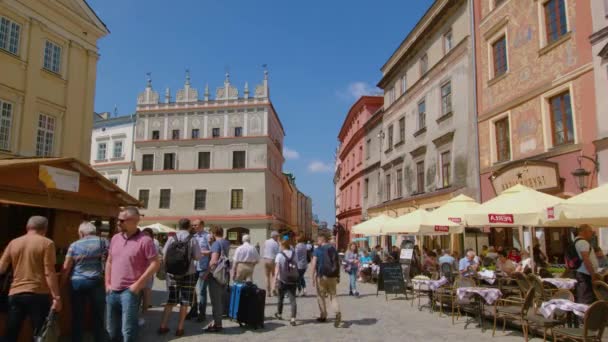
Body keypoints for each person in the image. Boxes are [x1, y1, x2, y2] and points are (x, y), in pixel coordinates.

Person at [0, 216, 61, 341]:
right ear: (45, 229)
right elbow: (49, 272)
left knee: (11, 332)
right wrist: (56, 297)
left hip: (15, 293)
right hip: (38, 293)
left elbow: (1, 268)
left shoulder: (14, 242)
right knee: (40, 334)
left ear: (27, 227)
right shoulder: (47, 243)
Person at [106, 207, 160, 342]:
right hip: (112, 290)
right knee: (111, 331)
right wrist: (107, 284)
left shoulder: (145, 240)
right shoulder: (115, 238)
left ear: (134, 221)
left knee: (128, 331)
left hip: (129, 292)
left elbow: (155, 263)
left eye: (121, 220)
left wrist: (137, 285)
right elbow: (109, 261)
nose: (118, 223)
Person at [62, 222, 108, 342]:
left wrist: (62, 283)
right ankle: (99, 338)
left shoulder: (74, 245)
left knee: (78, 315)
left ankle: (77, 339)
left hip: (77, 282)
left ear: (81, 233)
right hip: (96, 281)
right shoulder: (103, 242)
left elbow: (66, 266)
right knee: (98, 315)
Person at [158, 218, 201, 337]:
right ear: (189, 226)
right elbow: (197, 256)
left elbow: (164, 253)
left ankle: (163, 326)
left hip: (172, 273)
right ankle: (180, 328)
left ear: (179, 226)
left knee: (171, 300)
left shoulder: (172, 238)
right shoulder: (192, 239)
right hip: (188, 273)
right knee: (185, 301)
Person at [311, 230, 341, 328]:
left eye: (317, 239)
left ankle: (323, 315)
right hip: (333, 276)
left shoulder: (318, 250)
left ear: (321, 239)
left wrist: (312, 277)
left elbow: (314, 264)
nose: (317, 241)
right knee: (333, 296)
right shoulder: (333, 249)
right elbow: (337, 263)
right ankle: (337, 312)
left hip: (322, 276)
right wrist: (338, 276)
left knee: (320, 296)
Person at [205, 225, 231, 333]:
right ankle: (218, 322)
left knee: (215, 301)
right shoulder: (226, 242)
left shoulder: (216, 244)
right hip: (224, 274)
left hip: (216, 275)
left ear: (213, 233)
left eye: (210, 233)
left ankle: (217, 325)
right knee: (220, 300)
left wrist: (206, 273)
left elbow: (214, 261)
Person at [188, 219, 211, 322]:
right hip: (193, 267)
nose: (193, 227)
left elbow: (213, 251)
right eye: (192, 225)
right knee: (191, 290)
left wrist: (199, 252)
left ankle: (202, 314)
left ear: (202, 225)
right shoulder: (193, 236)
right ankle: (193, 311)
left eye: (195, 225)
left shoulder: (208, 236)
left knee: (201, 291)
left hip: (203, 267)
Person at [274, 239, 298, 326]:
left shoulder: (279, 255)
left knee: (280, 298)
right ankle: (293, 318)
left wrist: (274, 282)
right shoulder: (294, 254)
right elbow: (296, 266)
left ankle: (279, 314)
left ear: (282, 246)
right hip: (293, 279)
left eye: (280, 245)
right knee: (293, 299)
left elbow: (277, 270)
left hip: (282, 280)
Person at [574, 225, 598, 304]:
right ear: (584, 232)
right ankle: (586, 315)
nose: (592, 233)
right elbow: (586, 260)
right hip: (585, 274)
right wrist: (593, 275)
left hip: (580, 273)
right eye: (590, 231)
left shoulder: (576, 241)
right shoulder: (583, 242)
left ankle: (583, 314)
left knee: (582, 295)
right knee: (587, 297)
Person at [141, 228, 160, 320]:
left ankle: (145, 309)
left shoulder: (153, 243)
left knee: (146, 291)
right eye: (143, 234)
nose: (145, 236)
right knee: (144, 290)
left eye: (146, 234)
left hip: (148, 269)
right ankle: (144, 308)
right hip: (141, 269)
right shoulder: (153, 242)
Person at [262, 231, 280, 297]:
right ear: (274, 236)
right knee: (274, 276)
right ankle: (273, 290)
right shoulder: (276, 243)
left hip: (265, 259)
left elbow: (264, 249)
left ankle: (268, 292)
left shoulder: (266, 241)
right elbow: (278, 253)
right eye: (277, 236)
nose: (278, 237)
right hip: (272, 260)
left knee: (267, 277)